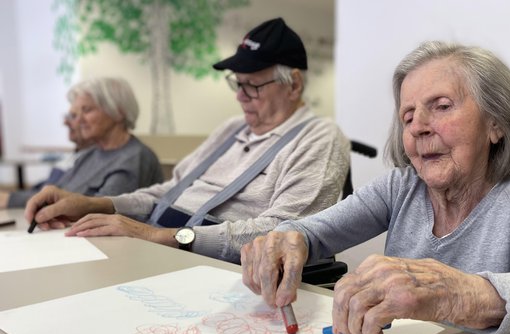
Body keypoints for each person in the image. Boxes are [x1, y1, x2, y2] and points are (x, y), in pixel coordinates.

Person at [240, 41, 510, 334]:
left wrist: (463, 295)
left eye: (442, 106)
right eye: (408, 116)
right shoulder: (400, 188)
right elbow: (311, 234)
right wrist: (288, 238)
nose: (418, 127)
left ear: (496, 124)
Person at [25, 18, 350, 264]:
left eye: (252, 85)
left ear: (293, 85)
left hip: (216, 268)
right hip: (162, 251)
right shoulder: (231, 129)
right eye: (236, 84)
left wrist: (163, 236)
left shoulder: (319, 137)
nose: (240, 96)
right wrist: (95, 204)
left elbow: (285, 231)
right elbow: (168, 190)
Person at [1, 77, 163, 209]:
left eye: (87, 110)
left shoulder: (135, 157)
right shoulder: (89, 154)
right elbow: (52, 192)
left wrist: (9, 199)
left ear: (119, 112)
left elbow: (101, 209)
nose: (78, 121)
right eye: (76, 114)